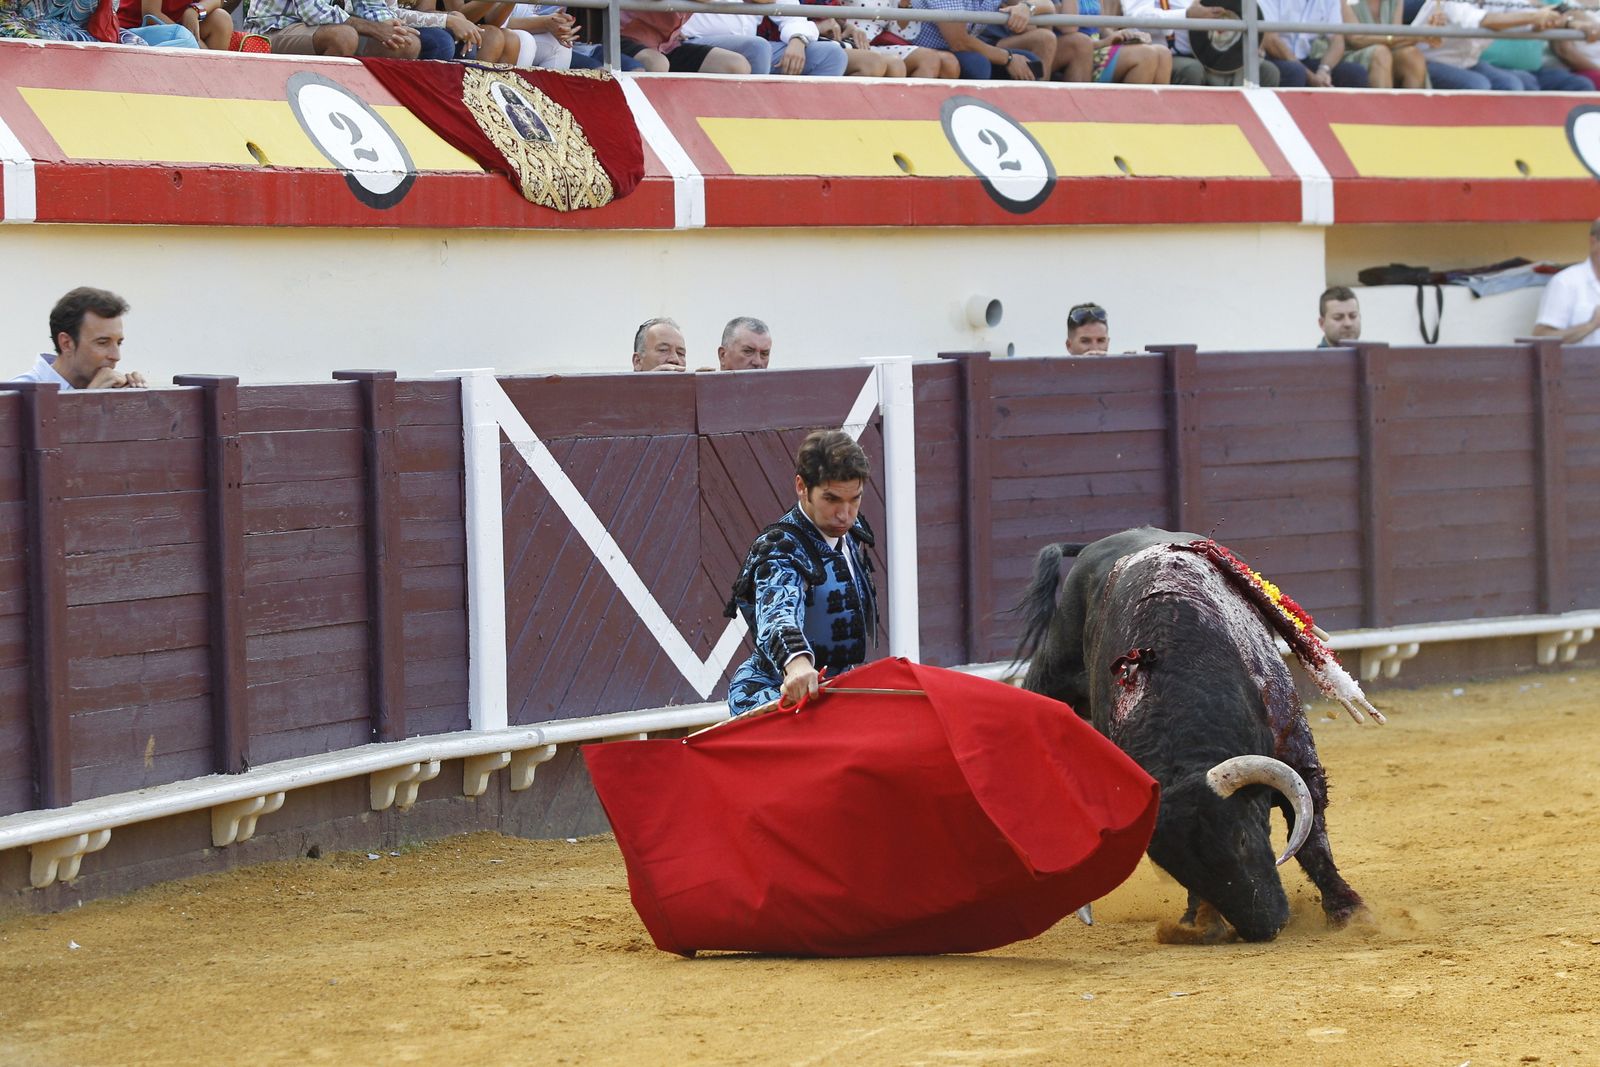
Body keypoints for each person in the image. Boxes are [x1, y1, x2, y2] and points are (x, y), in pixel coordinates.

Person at [724, 429, 878, 714]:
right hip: (776, 695)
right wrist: (796, 665)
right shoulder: (779, 548)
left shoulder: (852, 533)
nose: (845, 514)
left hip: (838, 690)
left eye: (854, 499)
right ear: (801, 487)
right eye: (831, 500)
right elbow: (777, 613)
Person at [1413, 0, 1563, 91]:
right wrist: (1534, 17)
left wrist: (1543, 22)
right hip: (1426, 62)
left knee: (1510, 84)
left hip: (1467, 63)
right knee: (1477, 84)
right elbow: (1483, 20)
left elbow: (1529, 18)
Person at [1123, 0, 1282, 85]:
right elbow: (1137, 17)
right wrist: (1186, 14)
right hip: (1168, 55)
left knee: (1267, 70)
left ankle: (1252, 133)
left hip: (1216, 52)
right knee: (1192, 70)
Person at [16, 287, 146, 390]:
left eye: (119, 343)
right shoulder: (18, 394)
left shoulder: (110, 389)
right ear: (66, 343)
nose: (116, 356)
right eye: (103, 343)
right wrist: (90, 400)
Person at [902, 0, 1057, 80]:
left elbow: (1049, 5)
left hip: (963, 48)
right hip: (920, 49)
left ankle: (1019, 119)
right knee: (977, 64)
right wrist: (1008, 58)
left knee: (1031, 64)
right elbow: (958, 41)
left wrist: (1026, 7)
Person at [681, 5, 848, 76]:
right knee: (757, 47)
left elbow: (793, 15)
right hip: (694, 43)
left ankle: (805, 122)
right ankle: (753, 119)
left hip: (754, 49)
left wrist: (798, 39)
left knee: (832, 55)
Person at [245, 0, 421, 56]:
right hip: (270, 32)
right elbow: (312, 11)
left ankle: (372, 107)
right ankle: (316, 101)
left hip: (319, 28)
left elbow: (371, 6)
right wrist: (375, 28)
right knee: (344, 37)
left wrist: (392, 25)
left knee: (407, 43)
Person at [1055, 0, 1172, 83]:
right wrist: (1105, 42)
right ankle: (1126, 115)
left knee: (1163, 53)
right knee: (1146, 55)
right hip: (1079, 53)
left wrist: (1123, 35)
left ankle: (1152, 116)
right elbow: (1069, 30)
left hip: (1097, 46)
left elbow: (1101, 26)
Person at [1259, 0, 1369, 86]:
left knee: (1356, 73)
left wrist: (1324, 70)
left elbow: (1337, 40)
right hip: (1271, 57)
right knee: (1295, 73)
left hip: (1302, 60)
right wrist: (1310, 76)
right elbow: (1270, 40)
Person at [1533, 219, 1600, 345]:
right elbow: (1541, 338)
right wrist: (1591, 325)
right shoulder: (1566, 282)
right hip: (1580, 364)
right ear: (1593, 241)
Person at [1340, 0, 1427, 88]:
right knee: (1381, 53)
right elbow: (1355, 39)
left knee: (1413, 55)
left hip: (1387, 51)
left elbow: (1396, 37)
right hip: (1350, 54)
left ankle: (1413, 101)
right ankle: (1382, 101)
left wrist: (1420, 37)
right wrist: (1393, 39)